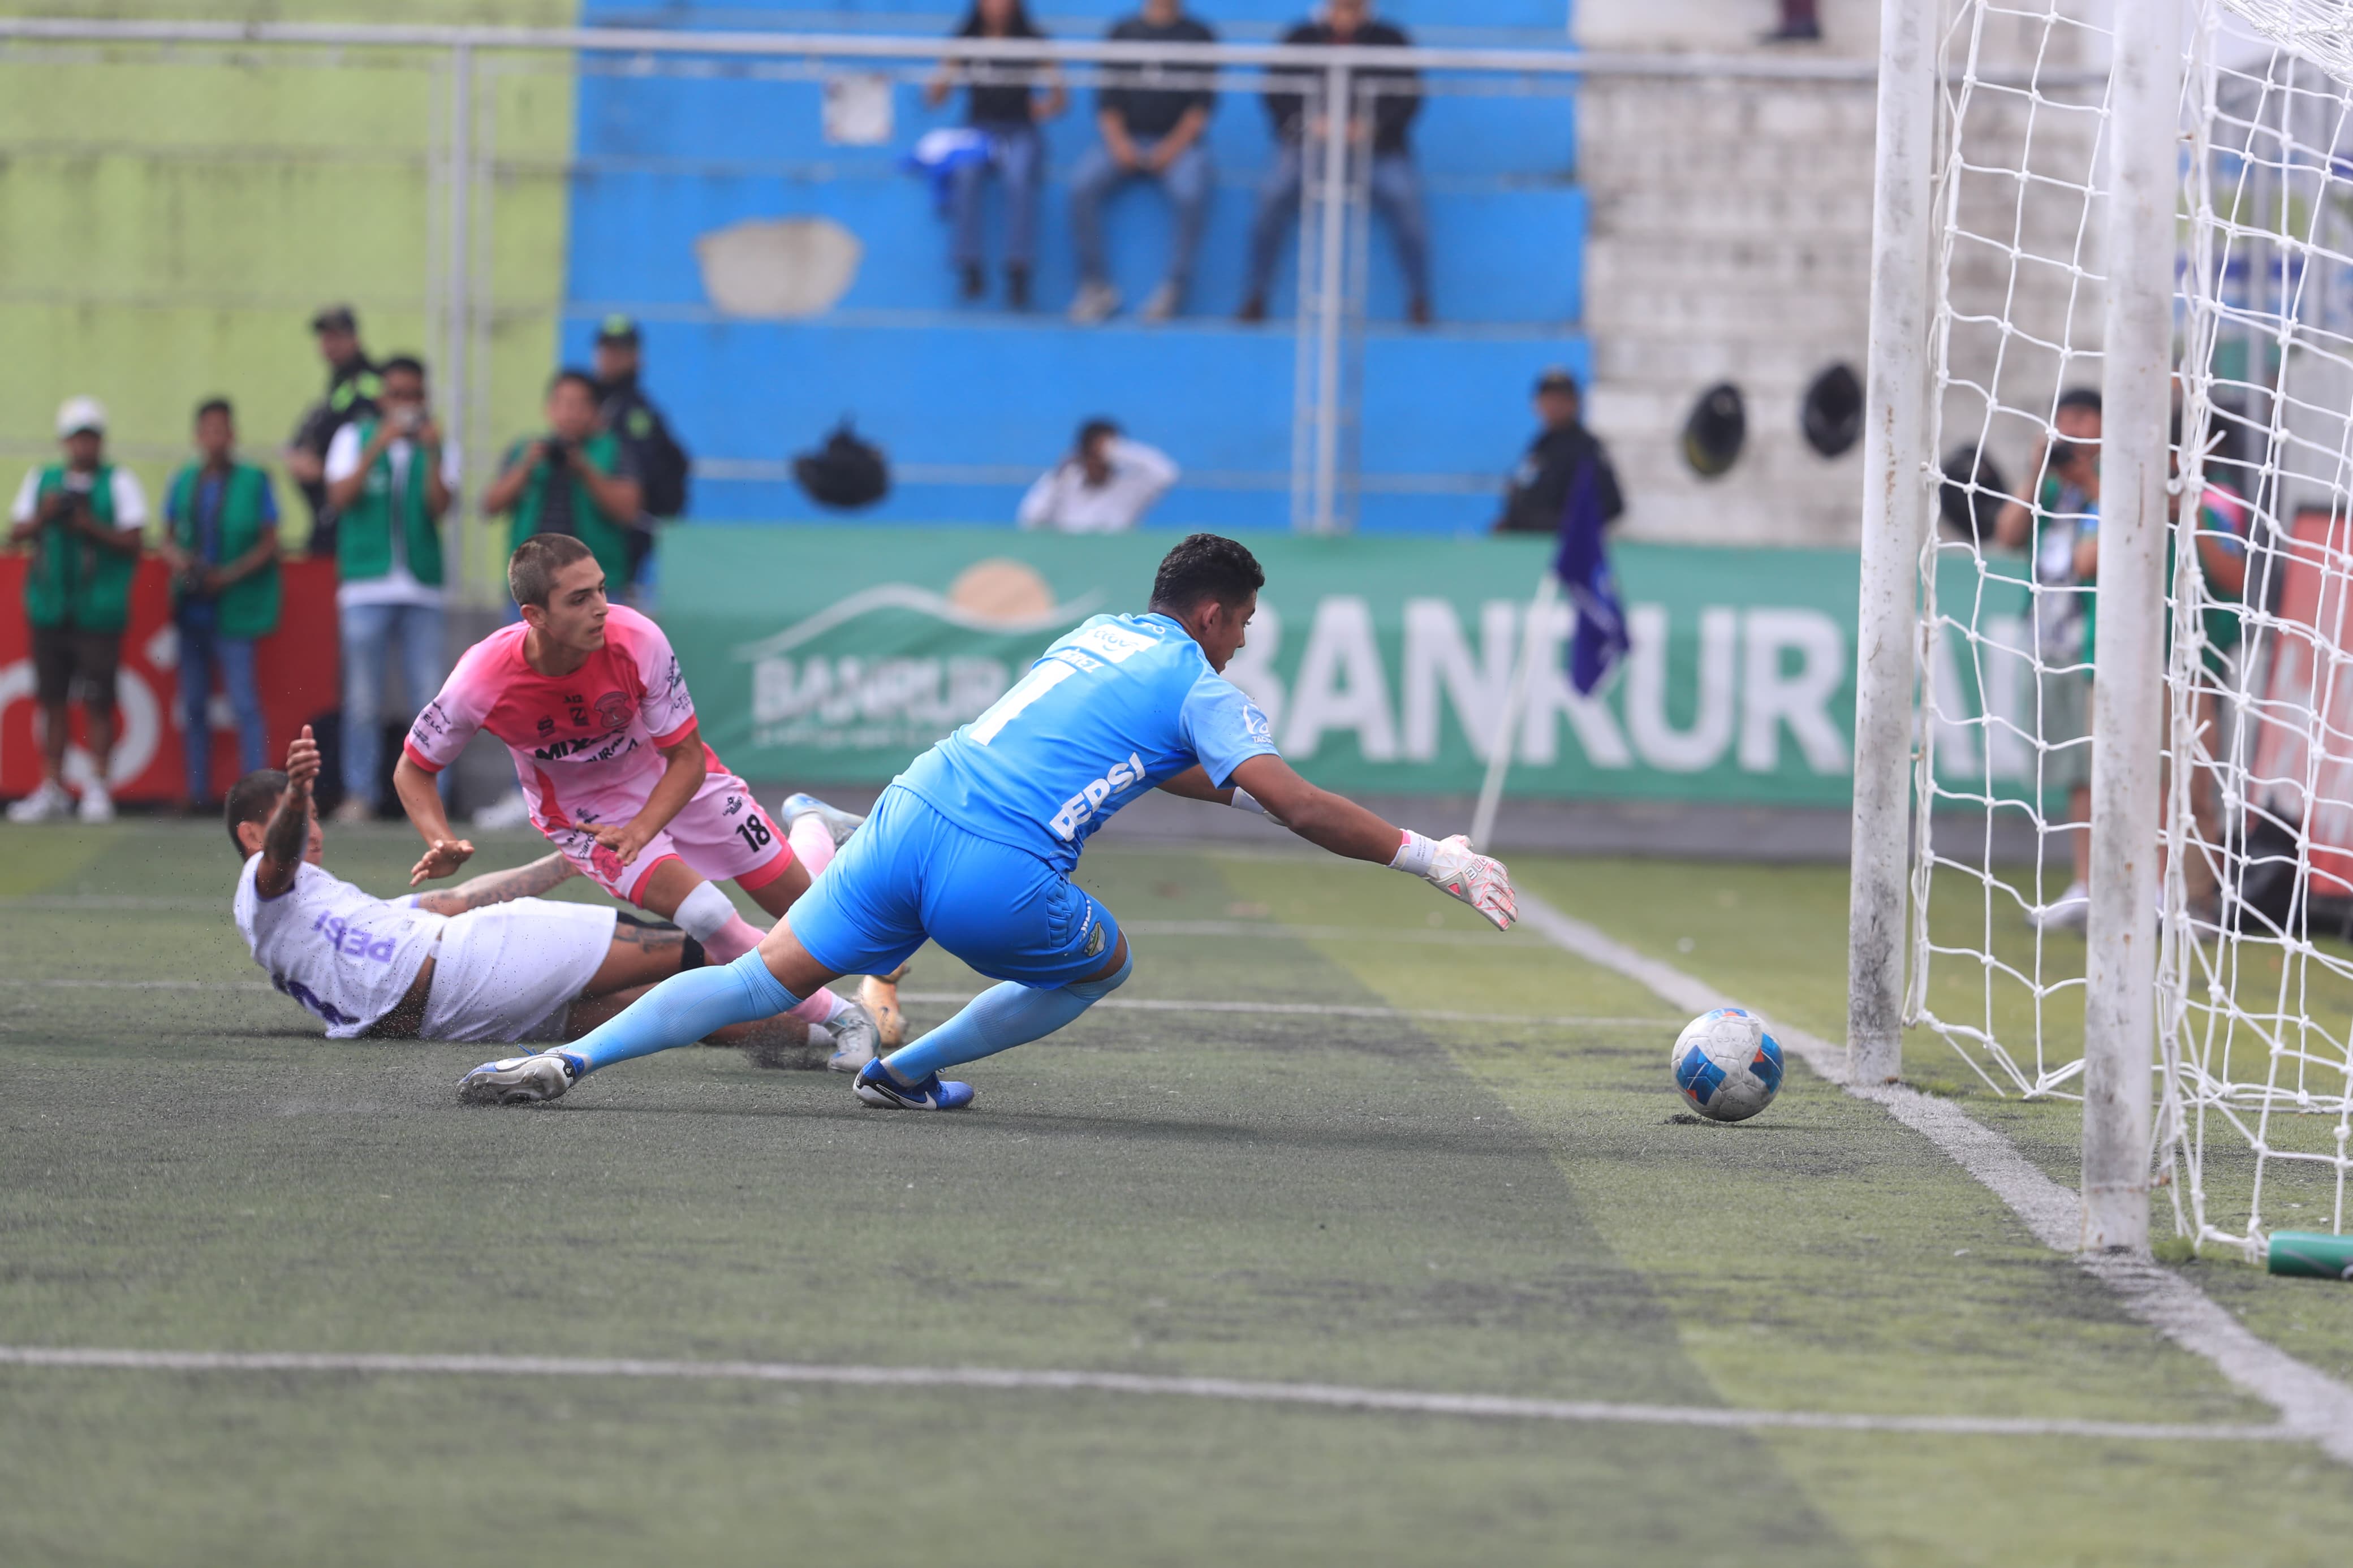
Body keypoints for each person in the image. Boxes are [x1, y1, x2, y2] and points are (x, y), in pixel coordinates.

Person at [456, 533, 1519, 1109]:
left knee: (754, 978)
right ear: (1211, 614)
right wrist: (1434, 857)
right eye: (1241, 621)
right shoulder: (1196, 674)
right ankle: (900, 1073)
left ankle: (572, 1065)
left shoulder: (1101, 634)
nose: (1240, 641)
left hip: (915, 806)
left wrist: (1233, 777)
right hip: (994, 869)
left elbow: (1158, 767)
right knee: (1100, 964)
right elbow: (1290, 801)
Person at [395, 534, 893, 1054]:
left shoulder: (637, 639)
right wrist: (439, 838)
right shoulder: (480, 678)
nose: (601, 608)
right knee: (706, 917)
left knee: (812, 910)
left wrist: (641, 828)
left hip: (678, 784)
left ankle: (813, 823)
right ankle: (843, 1018)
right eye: (579, 599)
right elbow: (413, 769)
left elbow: (688, 759)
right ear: (534, 615)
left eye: (602, 589)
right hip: (586, 819)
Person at [228, 726, 875, 1066]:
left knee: (701, 960)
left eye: (307, 812)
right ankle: (834, 1018)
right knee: (672, 1010)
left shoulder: (336, 908)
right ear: (251, 834)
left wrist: (568, 858)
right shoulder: (265, 888)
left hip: (475, 965)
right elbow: (279, 857)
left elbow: (461, 901)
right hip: (460, 1009)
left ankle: (837, 1010)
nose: (310, 826)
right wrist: (301, 793)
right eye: (294, 814)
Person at [1239, 0, 1432, 327]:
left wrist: (1372, 128)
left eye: (1353, 8)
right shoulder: (1300, 37)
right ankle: (1254, 295)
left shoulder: (1392, 39)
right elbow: (1276, 95)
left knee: (1405, 200)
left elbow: (1409, 98)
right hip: (1306, 148)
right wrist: (1309, 126)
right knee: (1272, 195)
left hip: (1378, 150)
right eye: (1340, 8)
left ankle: (1420, 298)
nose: (1345, 16)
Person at [323, 354, 455, 823]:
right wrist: (377, 446)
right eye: (396, 395)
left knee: (433, 700)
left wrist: (435, 452)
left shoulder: (436, 444)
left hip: (421, 587)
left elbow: (442, 506)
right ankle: (361, 793)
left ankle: (434, 797)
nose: (405, 405)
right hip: (366, 585)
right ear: (382, 399)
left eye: (413, 395)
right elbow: (339, 497)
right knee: (362, 699)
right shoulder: (353, 438)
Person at [6, 397, 148, 824]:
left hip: (98, 611)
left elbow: (135, 541)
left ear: (100, 441)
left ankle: (98, 785)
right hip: (51, 608)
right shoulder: (43, 481)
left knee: (99, 699)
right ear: (65, 441)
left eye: (90, 437)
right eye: (76, 438)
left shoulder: (118, 482)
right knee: (51, 700)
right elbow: (16, 532)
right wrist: (46, 517)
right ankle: (52, 785)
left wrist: (89, 525)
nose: (83, 446)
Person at [1994, 387, 2100, 930]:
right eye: (2068, 419)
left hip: (2098, 642)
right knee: (2073, 772)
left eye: (2086, 417)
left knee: (2104, 768)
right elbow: (2008, 533)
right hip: (2049, 642)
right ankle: (2086, 882)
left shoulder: (2112, 482)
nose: (2076, 429)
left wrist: (2091, 481)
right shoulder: (2052, 488)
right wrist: (2037, 471)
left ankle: (2122, 883)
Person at [162, 398, 282, 812]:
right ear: (198, 436)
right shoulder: (185, 481)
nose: (215, 438)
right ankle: (198, 791)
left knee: (244, 701)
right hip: (193, 608)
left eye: (222, 430)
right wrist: (185, 564)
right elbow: (168, 537)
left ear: (233, 435)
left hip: (236, 606)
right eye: (207, 430)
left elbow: (270, 541)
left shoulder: (254, 480)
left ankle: (259, 797)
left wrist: (227, 575)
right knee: (193, 703)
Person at [1067, 0, 1218, 325]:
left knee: (1191, 192)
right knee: (1081, 185)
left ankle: (1174, 287)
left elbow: (1201, 108)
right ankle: (1097, 285)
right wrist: (1120, 143)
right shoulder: (1122, 32)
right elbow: (1107, 100)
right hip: (1125, 139)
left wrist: (1171, 149)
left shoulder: (1200, 35)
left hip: (1180, 146)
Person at [925, 0, 1066, 310]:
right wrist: (939, 82)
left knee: (1018, 177)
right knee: (965, 174)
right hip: (980, 130)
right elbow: (936, 94)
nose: (998, 6)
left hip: (1020, 130)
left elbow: (1061, 96)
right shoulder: (965, 39)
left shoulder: (1033, 40)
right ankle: (969, 265)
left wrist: (1045, 107)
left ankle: (1019, 270)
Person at [482, 369, 641, 593]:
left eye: (579, 405)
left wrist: (584, 469)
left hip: (596, 585)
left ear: (594, 411)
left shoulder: (612, 449)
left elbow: (628, 511)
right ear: (549, 408)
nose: (571, 413)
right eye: (563, 403)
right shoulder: (525, 449)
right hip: (533, 584)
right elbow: (490, 506)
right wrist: (526, 466)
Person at [592, 316, 692, 602]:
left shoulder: (636, 411)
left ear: (636, 357)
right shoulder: (600, 402)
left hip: (624, 532)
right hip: (602, 524)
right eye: (606, 350)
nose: (610, 358)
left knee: (609, 601)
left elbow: (651, 470)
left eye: (620, 351)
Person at [284, 305, 383, 556]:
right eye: (324, 337)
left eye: (336, 336)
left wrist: (322, 469)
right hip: (331, 517)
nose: (329, 344)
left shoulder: (371, 385)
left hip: (357, 518)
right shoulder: (339, 386)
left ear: (355, 338)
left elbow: (365, 439)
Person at [1493, 369, 1624, 537]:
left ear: (1575, 403)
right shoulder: (1541, 443)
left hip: (1560, 546)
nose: (1554, 406)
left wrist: (1570, 528)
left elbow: (1612, 504)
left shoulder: (1585, 447)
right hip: (1526, 542)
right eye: (1548, 399)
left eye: (1561, 400)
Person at [1018, 418, 1180, 532]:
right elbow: (1030, 520)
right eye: (1093, 456)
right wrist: (1056, 480)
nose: (1098, 464)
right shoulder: (1064, 482)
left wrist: (1117, 449)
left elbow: (1167, 473)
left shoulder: (1130, 489)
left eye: (1105, 458)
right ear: (1083, 455)